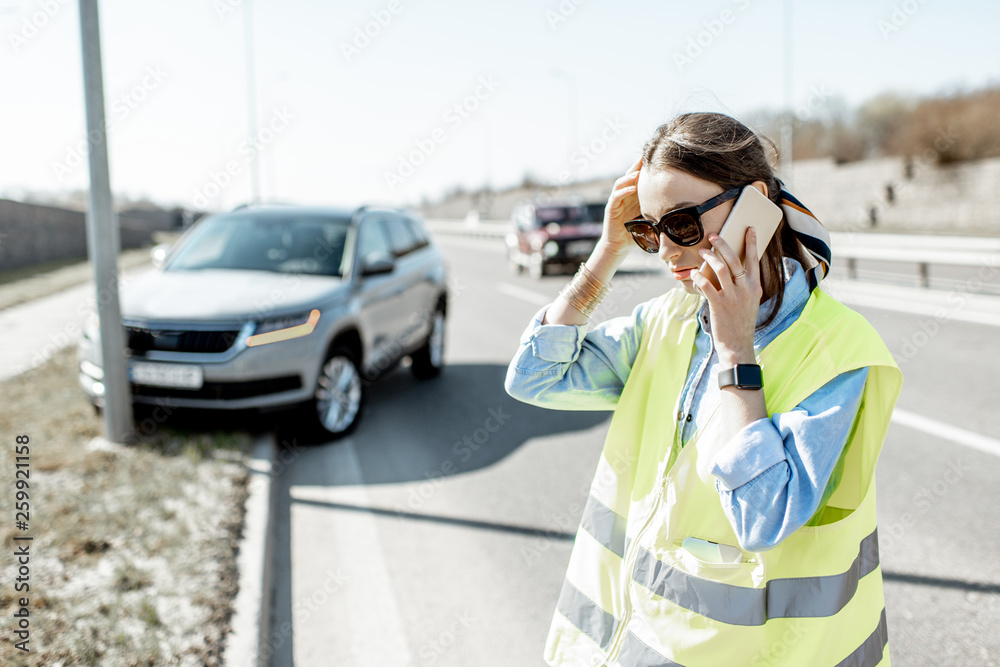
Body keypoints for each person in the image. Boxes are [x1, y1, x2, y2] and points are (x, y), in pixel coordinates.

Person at [505, 112, 903, 666]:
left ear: (756, 203)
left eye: (683, 223)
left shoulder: (837, 351)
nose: (666, 250)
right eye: (647, 229)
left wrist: (735, 350)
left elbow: (762, 517)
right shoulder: (667, 320)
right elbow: (534, 377)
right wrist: (606, 253)